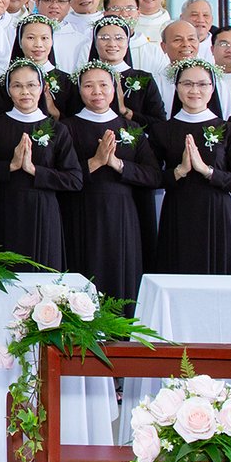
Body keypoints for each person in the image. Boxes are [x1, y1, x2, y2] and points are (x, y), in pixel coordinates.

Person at [61, 63, 161, 303]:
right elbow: (60, 175)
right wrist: (95, 162)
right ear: (79, 90)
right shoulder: (67, 127)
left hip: (123, 215)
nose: (97, 91)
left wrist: (118, 164)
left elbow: (154, 176)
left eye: (103, 85)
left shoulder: (131, 128)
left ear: (114, 89)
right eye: (89, 85)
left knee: (120, 275)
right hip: (80, 210)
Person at [149, 58, 231, 275]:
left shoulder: (229, 130)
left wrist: (207, 171)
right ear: (176, 87)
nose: (194, 90)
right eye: (187, 84)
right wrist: (180, 171)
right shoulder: (163, 130)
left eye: (202, 84)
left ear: (212, 88)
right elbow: (151, 178)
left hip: (218, 213)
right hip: (178, 212)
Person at [0, 59, 82, 268]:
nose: (25, 92)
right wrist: (10, 166)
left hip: (43, 211)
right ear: (8, 90)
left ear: (42, 88)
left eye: (31, 85)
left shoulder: (57, 129)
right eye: (17, 86)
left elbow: (74, 179)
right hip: (4, 209)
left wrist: (34, 170)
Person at [88, 15, 166, 122]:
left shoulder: (144, 78)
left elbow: (159, 123)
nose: (112, 44)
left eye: (119, 38)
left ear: (128, 42)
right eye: (104, 38)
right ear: (95, 43)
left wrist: (125, 112)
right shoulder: (84, 79)